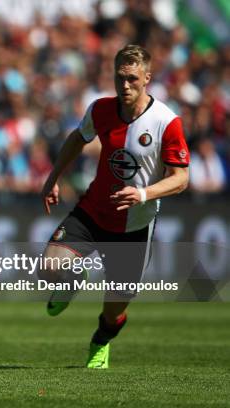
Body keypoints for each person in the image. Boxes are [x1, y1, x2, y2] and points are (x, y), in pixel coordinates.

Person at [39, 45, 189, 369]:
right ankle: (70, 282)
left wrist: (144, 194)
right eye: (119, 77)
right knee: (49, 268)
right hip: (93, 211)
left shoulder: (166, 122)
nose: (125, 86)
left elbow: (181, 178)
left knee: (114, 311)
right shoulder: (101, 110)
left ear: (147, 78)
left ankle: (100, 341)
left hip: (134, 227)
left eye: (132, 79)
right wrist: (54, 177)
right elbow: (78, 138)